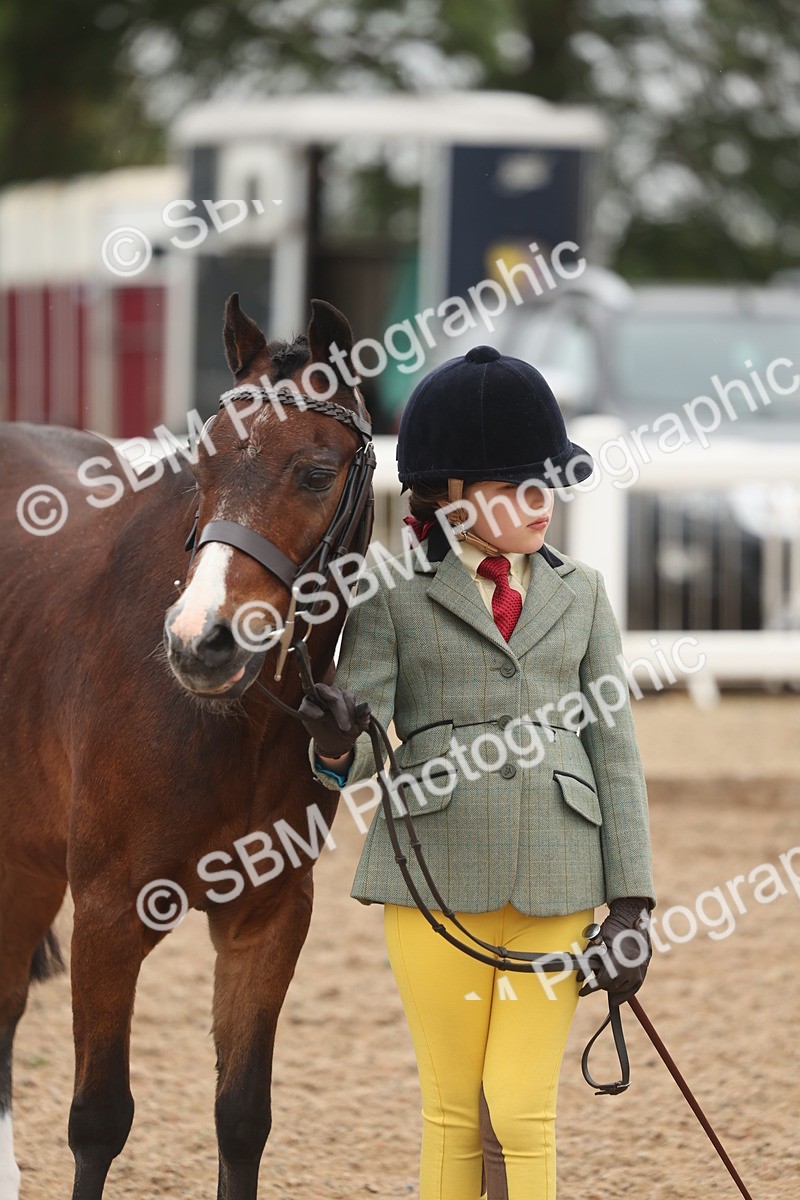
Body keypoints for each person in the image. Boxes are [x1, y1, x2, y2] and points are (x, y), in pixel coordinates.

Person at [300, 345, 656, 1200]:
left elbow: (615, 747)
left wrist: (634, 900)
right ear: (453, 497)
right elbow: (348, 757)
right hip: (433, 883)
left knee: (521, 1105)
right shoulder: (390, 598)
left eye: (547, 485)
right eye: (517, 488)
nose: (543, 503)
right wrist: (336, 740)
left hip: (562, 881)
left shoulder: (586, 594)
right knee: (455, 1111)